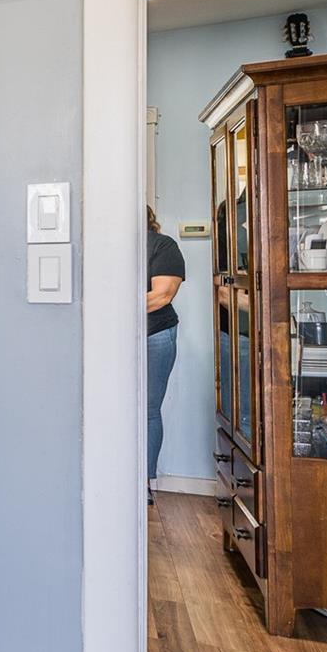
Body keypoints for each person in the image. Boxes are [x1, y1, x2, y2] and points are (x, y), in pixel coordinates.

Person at [147, 207, 186, 500]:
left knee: (147, 410)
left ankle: (142, 483)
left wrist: (114, 304)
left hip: (155, 334)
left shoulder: (162, 245)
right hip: (114, 336)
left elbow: (163, 294)